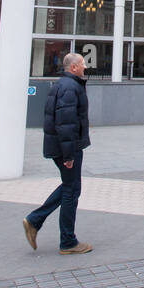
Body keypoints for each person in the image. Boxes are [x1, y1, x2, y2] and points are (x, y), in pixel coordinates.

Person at [24, 52, 93, 255]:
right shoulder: (70, 88)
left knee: (70, 187)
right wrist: (69, 155)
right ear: (73, 68)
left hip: (63, 147)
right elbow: (66, 123)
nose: (84, 67)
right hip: (67, 149)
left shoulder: (63, 85)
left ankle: (35, 221)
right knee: (71, 191)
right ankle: (67, 241)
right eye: (82, 64)